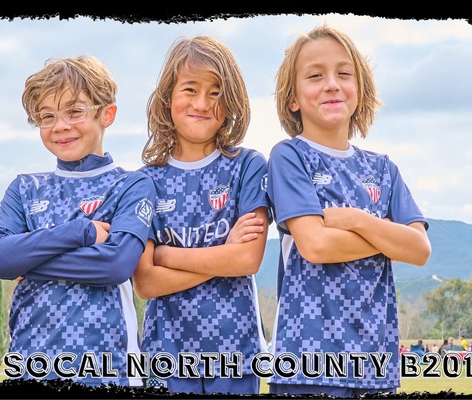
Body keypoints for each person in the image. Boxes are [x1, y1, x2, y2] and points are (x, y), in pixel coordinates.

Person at [265, 24, 431, 397]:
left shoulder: (383, 169)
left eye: (344, 73)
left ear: (360, 90)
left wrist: (357, 220)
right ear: (292, 99)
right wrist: (388, 237)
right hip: (308, 362)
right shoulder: (289, 157)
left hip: (374, 361)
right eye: (315, 76)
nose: (331, 84)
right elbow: (316, 246)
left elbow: (420, 250)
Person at [0, 55, 155, 388]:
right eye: (47, 116)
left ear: (107, 114)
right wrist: (80, 231)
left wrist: (28, 259)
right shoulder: (25, 188)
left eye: (75, 112)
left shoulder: (132, 185)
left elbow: (114, 265)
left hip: (109, 369)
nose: (60, 126)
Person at [130, 35, 269, 395]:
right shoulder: (144, 182)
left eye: (216, 92)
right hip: (166, 355)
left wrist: (167, 255)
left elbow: (247, 260)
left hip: (236, 353)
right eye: (190, 89)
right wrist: (223, 254)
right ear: (167, 98)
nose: (203, 103)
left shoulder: (248, 166)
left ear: (232, 100)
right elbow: (145, 283)